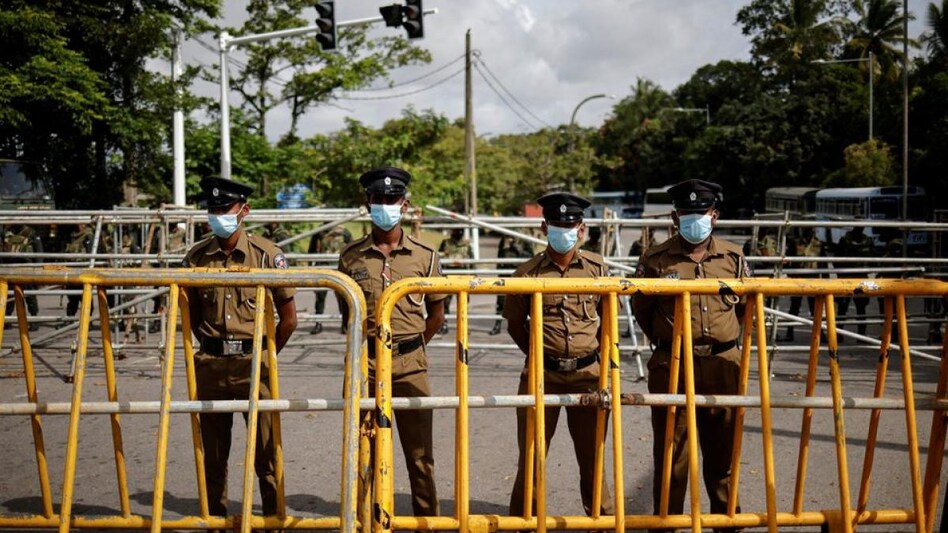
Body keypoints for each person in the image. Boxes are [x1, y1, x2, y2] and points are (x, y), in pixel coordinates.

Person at [632, 179, 749, 533]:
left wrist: (722, 342)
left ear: (713, 215)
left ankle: (726, 523)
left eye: (701, 213)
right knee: (672, 455)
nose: (693, 219)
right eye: (687, 213)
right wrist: (671, 344)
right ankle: (666, 524)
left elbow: (742, 309)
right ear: (674, 216)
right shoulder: (654, 259)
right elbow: (642, 310)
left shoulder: (733, 257)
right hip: (673, 365)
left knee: (723, 453)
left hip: (722, 364)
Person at [182, 176, 297, 530]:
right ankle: (215, 520)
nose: (218, 215)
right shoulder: (197, 258)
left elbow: (289, 318)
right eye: (212, 209)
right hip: (211, 364)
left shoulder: (267, 256)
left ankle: (273, 520)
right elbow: (192, 317)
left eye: (225, 209)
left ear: (243, 211)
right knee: (213, 455)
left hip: (255, 363)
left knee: (266, 452)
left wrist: (266, 354)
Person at [337, 166, 445, 518]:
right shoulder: (350, 257)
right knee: (362, 448)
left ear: (405, 203)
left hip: (410, 363)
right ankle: (366, 520)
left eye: (392, 199)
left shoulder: (426, 257)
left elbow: (437, 315)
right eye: (378, 199)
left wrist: (411, 346)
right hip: (365, 365)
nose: (386, 205)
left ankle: (426, 522)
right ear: (367, 204)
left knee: (420, 454)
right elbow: (348, 315)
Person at [503, 191, 615, 518]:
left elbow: (608, 321)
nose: (563, 230)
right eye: (556, 224)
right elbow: (514, 324)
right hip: (542, 376)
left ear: (581, 229)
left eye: (570, 224)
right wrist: (540, 355)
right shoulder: (527, 273)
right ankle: (524, 521)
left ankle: (602, 520)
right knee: (533, 457)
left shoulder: (597, 269)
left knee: (593, 458)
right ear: (544, 227)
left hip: (588, 377)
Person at [780, 228, 824, 342]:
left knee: (815, 308)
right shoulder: (796, 243)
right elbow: (787, 260)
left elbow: (823, 262)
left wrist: (825, 279)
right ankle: (790, 332)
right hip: (798, 280)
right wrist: (791, 273)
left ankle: (820, 334)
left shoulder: (818, 244)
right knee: (794, 307)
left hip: (813, 280)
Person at [308, 225, 353, 334]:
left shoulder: (344, 232)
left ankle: (344, 324)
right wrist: (311, 267)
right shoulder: (319, 232)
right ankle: (318, 323)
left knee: (342, 296)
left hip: (338, 266)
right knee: (320, 296)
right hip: (323, 266)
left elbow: (351, 249)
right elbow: (312, 251)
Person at [490, 234, 534, 335]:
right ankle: (497, 325)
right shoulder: (504, 238)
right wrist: (499, 272)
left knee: (522, 303)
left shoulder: (525, 238)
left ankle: (523, 327)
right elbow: (500, 254)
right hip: (505, 273)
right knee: (501, 302)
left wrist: (518, 250)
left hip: (518, 274)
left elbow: (530, 256)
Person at [835, 226, 874, 338]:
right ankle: (839, 334)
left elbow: (872, 259)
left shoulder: (867, 241)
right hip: (846, 277)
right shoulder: (845, 240)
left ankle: (861, 334)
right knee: (843, 308)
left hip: (860, 277)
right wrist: (840, 276)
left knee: (861, 308)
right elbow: (837, 259)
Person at [3, 224, 42, 329]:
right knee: (9, 295)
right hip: (10, 269)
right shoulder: (6, 232)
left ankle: (34, 319)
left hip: (26, 268)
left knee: (29, 295)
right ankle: (7, 319)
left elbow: (39, 251)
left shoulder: (31, 233)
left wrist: (38, 269)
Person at [437, 227, 474, 335]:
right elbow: (439, 258)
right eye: (455, 230)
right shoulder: (446, 243)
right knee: (445, 303)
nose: (457, 232)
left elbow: (472, 262)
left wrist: (473, 276)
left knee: (463, 304)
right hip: (448, 275)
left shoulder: (467, 246)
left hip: (463, 276)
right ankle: (444, 325)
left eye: (459, 231)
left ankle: (463, 326)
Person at [64, 224, 94, 317]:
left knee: (86, 299)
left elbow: (91, 254)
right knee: (73, 299)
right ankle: (70, 319)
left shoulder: (88, 235)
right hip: (72, 271)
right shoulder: (72, 236)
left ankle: (87, 321)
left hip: (83, 272)